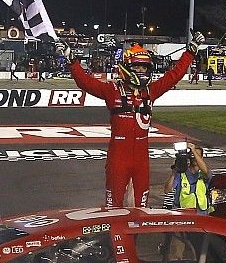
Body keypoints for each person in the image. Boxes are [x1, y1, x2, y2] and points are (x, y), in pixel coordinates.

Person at [57, 31, 203, 207]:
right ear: (127, 67)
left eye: (144, 67)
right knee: (114, 206)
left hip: (142, 158)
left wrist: (191, 50)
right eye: (137, 67)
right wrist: (72, 60)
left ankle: (134, 235)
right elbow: (85, 83)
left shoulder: (150, 91)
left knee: (141, 206)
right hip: (118, 157)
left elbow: (174, 75)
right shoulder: (113, 90)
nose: (141, 71)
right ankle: (113, 234)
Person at [163, 143, 212, 215]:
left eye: (197, 155)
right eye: (192, 155)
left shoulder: (203, 173)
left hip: (201, 213)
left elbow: (205, 171)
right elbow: (167, 190)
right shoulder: (181, 172)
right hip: (183, 213)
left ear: (201, 158)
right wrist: (173, 174)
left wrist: (193, 150)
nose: (195, 158)